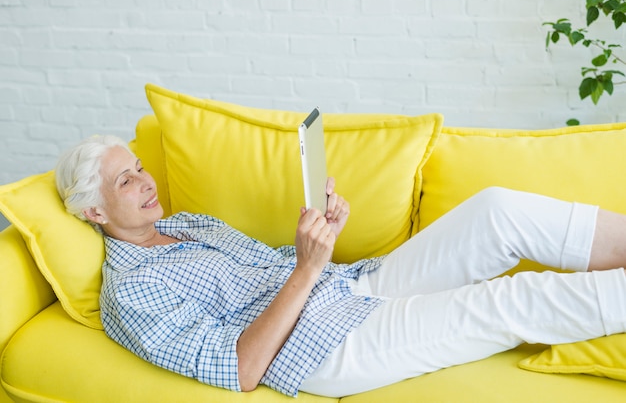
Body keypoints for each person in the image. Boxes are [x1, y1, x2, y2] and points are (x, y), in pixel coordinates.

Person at [55, 134, 626, 398]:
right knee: (505, 302)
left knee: (496, 210)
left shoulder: (192, 223)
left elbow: (275, 268)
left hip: (349, 285)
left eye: (138, 166)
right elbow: (240, 369)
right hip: (322, 348)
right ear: (95, 210)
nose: (146, 181)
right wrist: (306, 270)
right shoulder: (130, 291)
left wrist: (320, 239)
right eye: (125, 179)